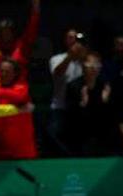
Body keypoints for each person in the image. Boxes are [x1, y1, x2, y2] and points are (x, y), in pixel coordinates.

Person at [65, 52, 113, 156]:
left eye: (97, 65)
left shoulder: (105, 85)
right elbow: (69, 116)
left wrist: (105, 101)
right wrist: (82, 103)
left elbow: (110, 116)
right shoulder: (73, 86)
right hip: (80, 133)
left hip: (101, 132)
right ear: (83, 66)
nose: (93, 68)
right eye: (90, 65)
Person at [48, 28, 86, 156]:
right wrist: (70, 56)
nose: (74, 40)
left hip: (80, 108)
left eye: (76, 38)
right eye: (70, 37)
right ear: (64, 41)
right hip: (60, 106)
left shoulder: (86, 59)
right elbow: (57, 74)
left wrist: (83, 58)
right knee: (54, 134)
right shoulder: (56, 58)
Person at [0, 58, 37, 159]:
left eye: (7, 72)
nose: (3, 74)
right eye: (1, 71)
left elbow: (20, 97)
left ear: (15, 73)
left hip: (22, 149)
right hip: (1, 148)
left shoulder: (22, 86)